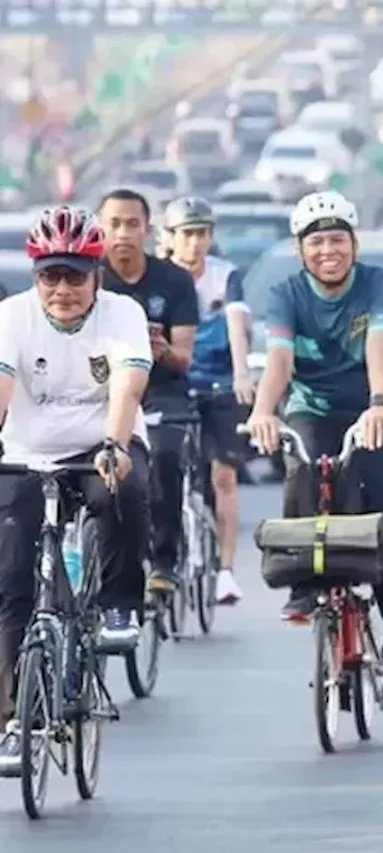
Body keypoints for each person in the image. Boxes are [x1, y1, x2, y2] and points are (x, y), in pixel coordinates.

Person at [244, 191, 383, 703]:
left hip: (375, 410)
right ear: (302, 251)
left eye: (337, 239)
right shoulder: (285, 294)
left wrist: (380, 403)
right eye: (316, 242)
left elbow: (378, 349)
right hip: (313, 409)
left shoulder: (378, 285)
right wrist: (262, 413)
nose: (328, 250)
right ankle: (303, 584)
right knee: (303, 474)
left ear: (354, 244)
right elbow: (278, 363)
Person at [0, 207, 152, 772]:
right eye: (50, 277)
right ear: (35, 276)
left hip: (99, 444)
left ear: (97, 276)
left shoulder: (121, 314)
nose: (62, 290)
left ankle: (117, 604)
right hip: (26, 452)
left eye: (75, 277)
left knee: (123, 491)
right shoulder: (12, 317)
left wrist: (114, 445)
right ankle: (15, 721)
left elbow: (127, 386)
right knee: (11, 584)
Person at [98, 188, 200, 592]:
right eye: (114, 224)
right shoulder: (89, 277)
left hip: (162, 391)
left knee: (163, 456)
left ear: (148, 229)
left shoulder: (174, 280)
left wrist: (159, 350)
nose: (123, 233)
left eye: (132, 224)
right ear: (101, 229)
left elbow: (184, 356)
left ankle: (164, 560)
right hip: (104, 391)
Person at [162, 197, 254, 605]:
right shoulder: (160, 277)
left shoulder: (225, 275)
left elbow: (237, 326)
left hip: (219, 383)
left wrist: (241, 374)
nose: (196, 243)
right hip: (173, 384)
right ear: (170, 238)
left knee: (224, 478)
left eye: (203, 234)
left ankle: (225, 571)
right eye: (188, 234)